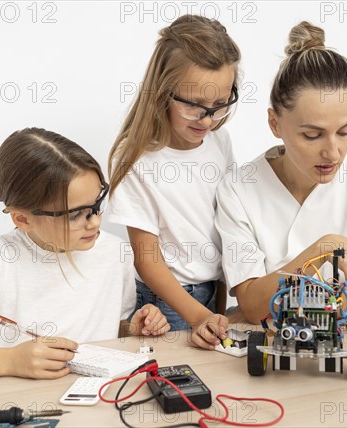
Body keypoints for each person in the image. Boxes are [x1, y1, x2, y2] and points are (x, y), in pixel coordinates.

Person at [0, 128, 169, 382]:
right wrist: (10, 360)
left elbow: (103, 328)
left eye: (97, 204)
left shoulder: (114, 252)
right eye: (75, 215)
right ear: (23, 219)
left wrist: (132, 329)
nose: (94, 222)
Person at [215, 22, 347, 324]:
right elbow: (255, 307)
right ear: (275, 123)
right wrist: (324, 248)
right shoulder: (239, 188)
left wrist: (274, 294)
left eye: (346, 131)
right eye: (312, 135)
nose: (333, 152)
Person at [107, 15, 240, 349]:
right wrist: (197, 317)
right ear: (163, 91)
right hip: (168, 304)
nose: (208, 118)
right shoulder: (136, 158)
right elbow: (147, 259)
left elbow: (226, 223)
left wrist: (217, 307)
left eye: (220, 104)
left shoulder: (219, 143)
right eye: (194, 105)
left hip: (212, 295)